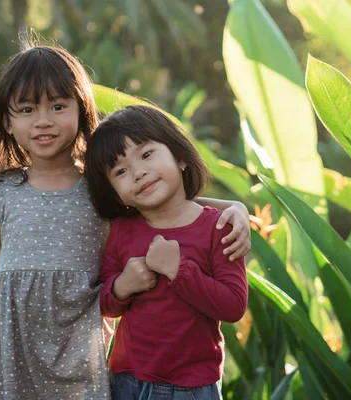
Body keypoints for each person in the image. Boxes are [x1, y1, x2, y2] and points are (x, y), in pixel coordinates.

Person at [0, 43, 251, 399]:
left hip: (77, 335)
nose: (43, 120)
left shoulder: (101, 187)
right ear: (8, 121)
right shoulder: (2, 190)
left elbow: (165, 201)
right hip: (14, 335)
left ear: (81, 110)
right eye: (27, 110)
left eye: (58, 106)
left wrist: (234, 206)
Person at [85, 105, 249, 400]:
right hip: (126, 381)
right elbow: (107, 304)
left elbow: (233, 305)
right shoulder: (123, 230)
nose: (139, 172)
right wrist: (123, 286)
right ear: (114, 192)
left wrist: (179, 270)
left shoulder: (219, 227)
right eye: (121, 171)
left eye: (147, 154)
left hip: (190, 387)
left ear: (180, 157)